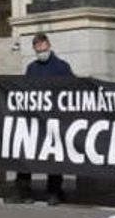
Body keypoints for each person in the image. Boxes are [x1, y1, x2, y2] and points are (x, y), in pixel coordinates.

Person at [14, 32, 72, 204]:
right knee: (26, 155)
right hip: (35, 120)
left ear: (49, 45)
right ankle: (23, 191)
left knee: (53, 157)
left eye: (43, 46)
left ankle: (54, 191)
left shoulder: (62, 67)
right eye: (37, 47)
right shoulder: (32, 68)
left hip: (55, 120)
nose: (41, 50)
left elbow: (72, 89)